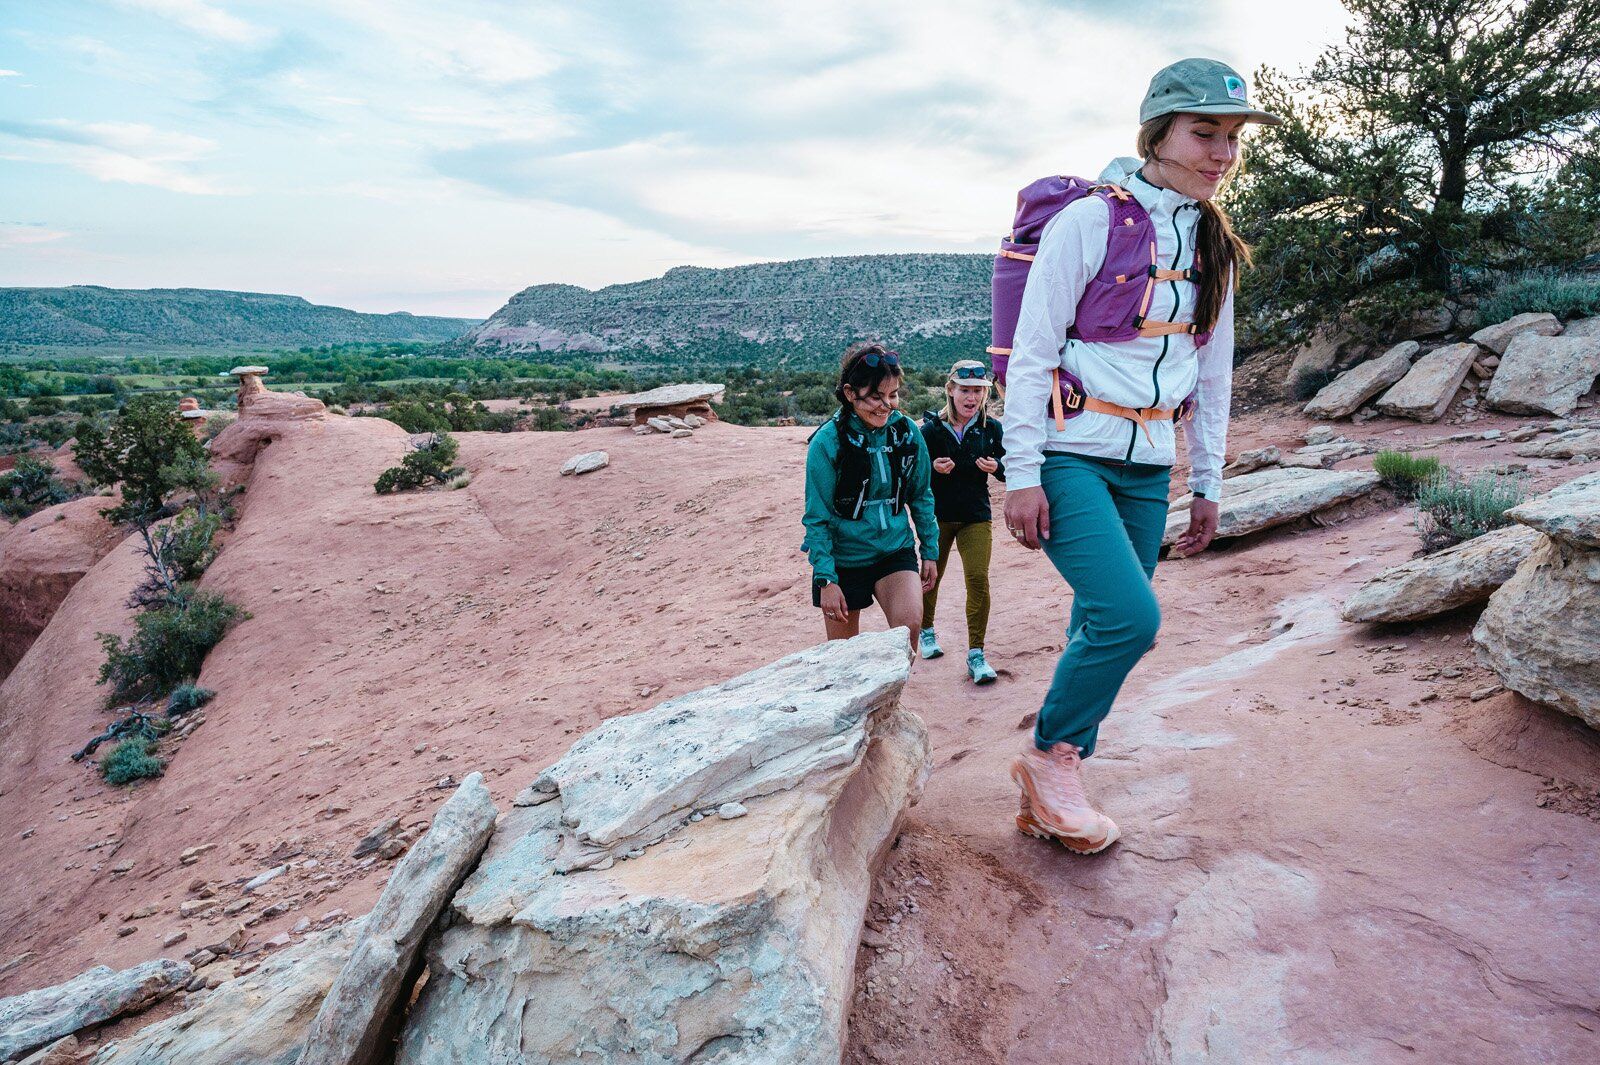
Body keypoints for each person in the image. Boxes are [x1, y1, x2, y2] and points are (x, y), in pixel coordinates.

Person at [1001, 58, 1279, 854]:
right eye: (1204, 133)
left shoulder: (1213, 242)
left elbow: (1214, 374)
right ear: (1158, 133)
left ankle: (1044, 797)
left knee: (1098, 618)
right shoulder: (1089, 222)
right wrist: (1022, 474)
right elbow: (1031, 353)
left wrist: (1208, 479)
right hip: (1070, 455)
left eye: (1232, 138)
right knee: (1132, 617)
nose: (1222, 153)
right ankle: (1051, 758)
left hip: (1150, 464)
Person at [803, 342, 940, 650]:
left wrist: (929, 549)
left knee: (909, 628)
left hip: (894, 548)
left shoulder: (906, 434)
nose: (886, 405)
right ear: (851, 393)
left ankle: (893, 699)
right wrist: (826, 579)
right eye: (876, 396)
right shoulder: (827, 443)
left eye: (892, 395)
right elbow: (817, 517)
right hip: (844, 559)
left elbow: (920, 495)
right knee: (843, 656)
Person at [918, 359, 1006, 684]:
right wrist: (931, 470)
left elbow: (1012, 469)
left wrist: (995, 467)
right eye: (966, 390)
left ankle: (976, 655)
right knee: (931, 576)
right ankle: (926, 632)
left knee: (978, 579)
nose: (972, 398)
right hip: (937, 517)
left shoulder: (992, 429)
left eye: (979, 391)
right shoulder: (929, 430)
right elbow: (911, 477)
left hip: (975, 516)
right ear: (950, 390)